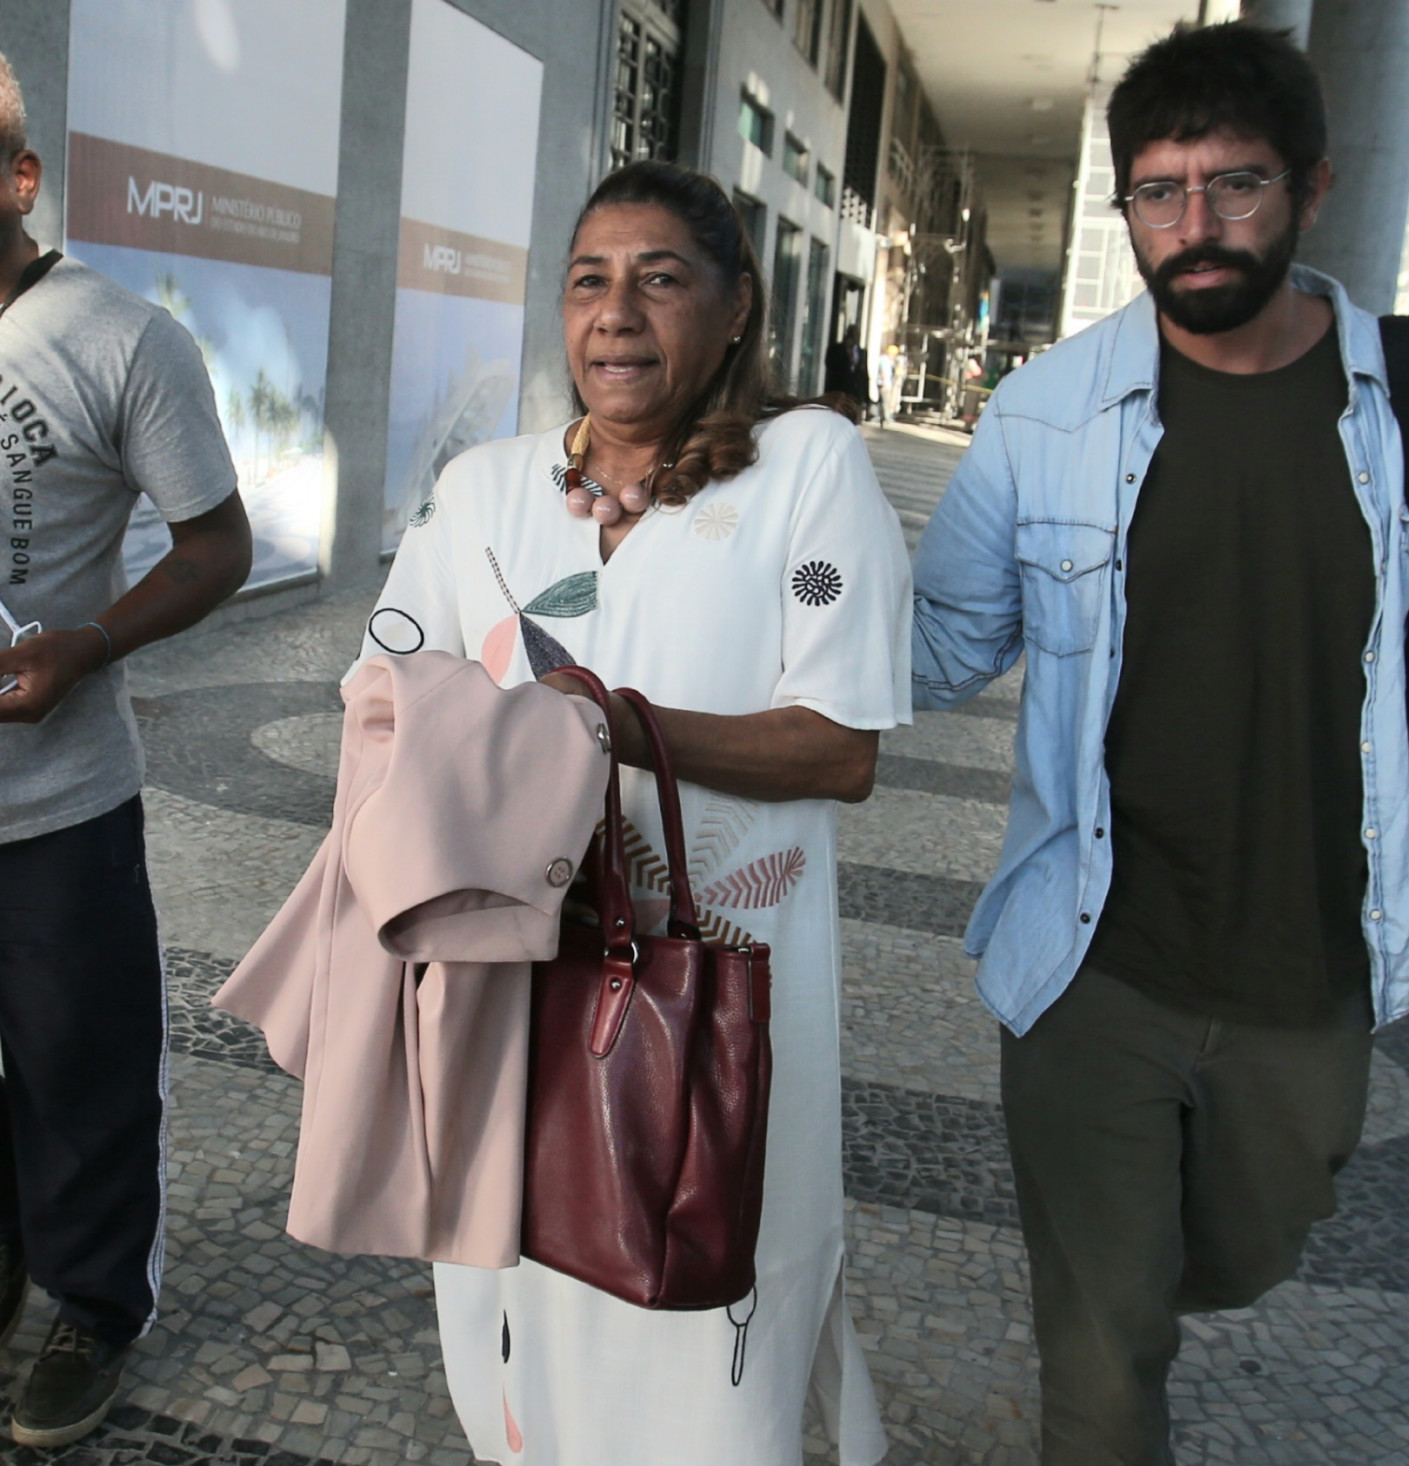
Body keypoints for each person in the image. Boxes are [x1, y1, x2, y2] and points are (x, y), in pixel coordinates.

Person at [909, 23, 1409, 1464]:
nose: (1194, 226)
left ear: (1312, 186)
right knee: (1106, 1342)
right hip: (1092, 960)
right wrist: (757, 573)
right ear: (1125, 205)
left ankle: (1141, 1266)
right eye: (1159, 190)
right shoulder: (1047, 412)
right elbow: (937, 643)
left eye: (1235, 185)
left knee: (1249, 1247)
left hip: (1315, 965)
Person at [355, 159, 909, 1465]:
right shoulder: (483, 492)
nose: (618, 312)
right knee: (510, 1294)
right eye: (590, 280)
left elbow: (838, 748)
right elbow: (384, 705)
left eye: (662, 279)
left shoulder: (803, 468)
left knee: (702, 1298)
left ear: (733, 313)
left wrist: (608, 726)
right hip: (505, 988)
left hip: (708, 1007)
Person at [0, 50, 252, 1448]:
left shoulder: (122, 338)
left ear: (18, 178)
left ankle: (94, 1306)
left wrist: (82, 646)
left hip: (55, 800)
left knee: (79, 1071)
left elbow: (220, 547)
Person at [822, 324, 869, 414]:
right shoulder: (836, 349)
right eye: (854, 335)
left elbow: (864, 375)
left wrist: (866, 398)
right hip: (838, 392)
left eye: (858, 335)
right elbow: (829, 364)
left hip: (855, 394)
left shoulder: (862, 353)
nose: (857, 338)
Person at [874, 342, 901, 424]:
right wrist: (885, 384)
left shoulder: (888, 361)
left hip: (885, 383)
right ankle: (885, 417)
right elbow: (884, 373)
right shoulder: (885, 361)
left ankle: (883, 416)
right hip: (884, 384)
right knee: (885, 401)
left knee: (883, 401)